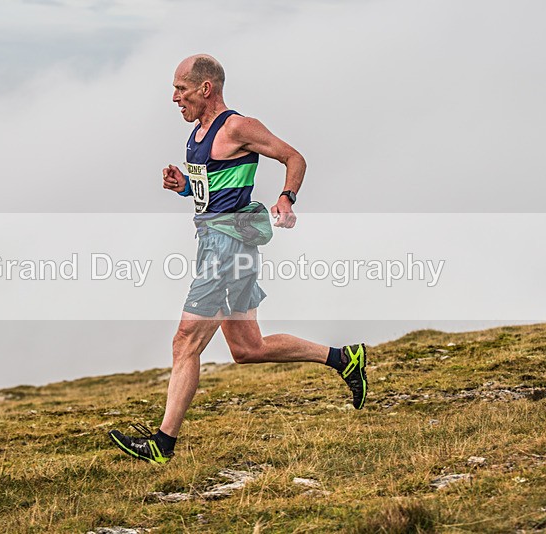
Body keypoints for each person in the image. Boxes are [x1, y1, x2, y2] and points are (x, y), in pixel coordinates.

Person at [108, 54, 367, 464]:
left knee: (185, 341)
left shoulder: (237, 126)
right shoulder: (198, 134)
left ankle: (162, 444)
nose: (175, 97)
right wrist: (182, 188)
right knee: (248, 348)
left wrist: (287, 196)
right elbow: (215, 192)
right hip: (216, 243)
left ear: (205, 88)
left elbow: (294, 157)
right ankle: (342, 358)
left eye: (181, 89)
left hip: (227, 249)